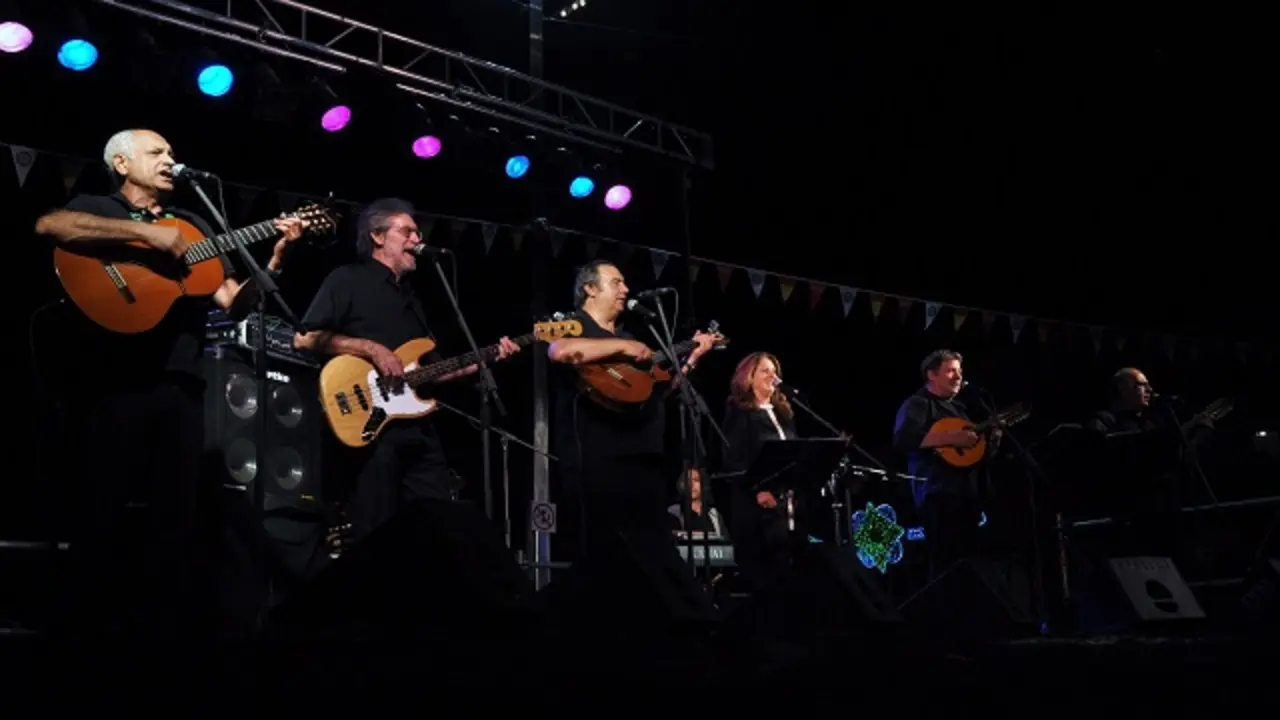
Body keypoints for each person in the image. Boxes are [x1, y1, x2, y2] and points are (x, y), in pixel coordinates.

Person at [34, 128, 303, 663]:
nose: (169, 160)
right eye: (156, 152)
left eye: (171, 153)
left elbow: (232, 302)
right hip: (112, 383)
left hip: (181, 385)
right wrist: (150, 237)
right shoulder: (98, 206)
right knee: (102, 509)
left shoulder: (194, 223)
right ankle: (83, 638)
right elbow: (50, 225)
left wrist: (275, 260)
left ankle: (157, 642)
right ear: (121, 163)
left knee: (174, 518)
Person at [293, 198, 520, 544]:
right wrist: (371, 348)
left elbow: (430, 373)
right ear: (378, 236)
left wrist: (484, 360)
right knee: (376, 531)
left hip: (418, 428)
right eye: (407, 231)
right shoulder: (348, 279)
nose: (417, 238)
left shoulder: (413, 301)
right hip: (371, 428)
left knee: (437, 525)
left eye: (418, 232)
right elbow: (304, 338)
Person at [546, 259, 715, 557]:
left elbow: (658, 390)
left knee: (653, 556)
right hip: (598, 463)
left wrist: (692, 358)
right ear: (590, 289)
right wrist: (623, 348)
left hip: (644, 460)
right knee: (606, 556)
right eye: (616, 282)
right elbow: (560, 350)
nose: (625, 289)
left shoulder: (628, 337)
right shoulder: (575, 326)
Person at [891, 349, 999, 579]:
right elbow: (904, 438)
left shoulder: (960, 411)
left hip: (968, 495)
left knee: (969, 566)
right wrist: (951, 438)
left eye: (959, 371)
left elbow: (972, 457)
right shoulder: (919, 403)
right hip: (937, 493)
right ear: (931, 374)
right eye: (950, 371)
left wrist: (993, 441)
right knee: (946, 565)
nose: (958, 377)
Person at [720, 352, 798, 588]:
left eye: (775, 372)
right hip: (758, 509)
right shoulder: (739, 413)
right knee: (766, 580)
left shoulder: (783, 413)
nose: (772, 376)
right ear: (749, 377)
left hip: (788, 506)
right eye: (765, 371)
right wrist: (758, 491)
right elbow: (733, 461)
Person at [667, 467, 726, 537]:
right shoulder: (674, 512)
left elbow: (724, 540)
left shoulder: (714, 514)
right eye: (687, 481)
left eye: (696, 480)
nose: (691, 485)